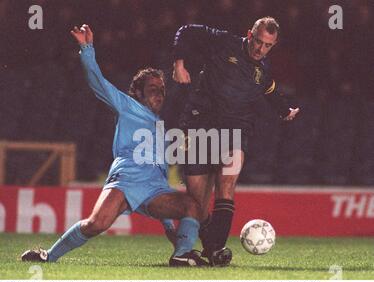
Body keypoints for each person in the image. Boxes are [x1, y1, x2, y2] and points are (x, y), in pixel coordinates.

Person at [21, 24, 209, 267]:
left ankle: (182, 254)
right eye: (153, 89)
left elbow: (160, 173)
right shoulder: (126, 106)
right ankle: (49, 255)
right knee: (95, 225)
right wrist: (86, 48)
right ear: (138, 93)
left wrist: (167, 225)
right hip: (126, 180)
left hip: (153, 190)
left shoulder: (161, 127)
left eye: (162, 89)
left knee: (193, 205)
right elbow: (97, 82)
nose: (160, 93)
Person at [172, 17, 300, 266]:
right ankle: (211, 248)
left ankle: (216, 248)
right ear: (249, 34)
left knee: (227, 183)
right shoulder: (224, 41)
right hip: (201, 125)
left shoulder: (262, 69)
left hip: (235, 130)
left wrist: (284, 110)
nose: (260, 50)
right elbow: (185, 31)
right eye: (258, 42)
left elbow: (270, 90)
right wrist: (179, 65)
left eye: (267, 46)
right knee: (197, 203)